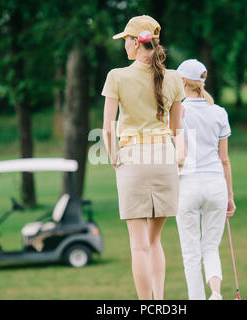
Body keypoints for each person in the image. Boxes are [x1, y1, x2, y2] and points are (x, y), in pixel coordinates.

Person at [101, 15, 186, 300]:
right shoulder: (174, 78)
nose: (125, 45)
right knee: (154, 241)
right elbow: (176, 129)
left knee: (138, 245)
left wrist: (113, 155)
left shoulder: (116, 76)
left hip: (133, 158)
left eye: (126, 40)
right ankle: (159, 301)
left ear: (137, 43)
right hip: (164, 157)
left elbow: (107, 127)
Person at [175, 59, 236, 300]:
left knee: (191, 254)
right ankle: (216, 294)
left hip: (187, 185)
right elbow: (225, 160)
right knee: (210, 247)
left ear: (182, 82)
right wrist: (230, 195)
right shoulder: (219, 112)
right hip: (216, 185)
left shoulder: (177, 110)